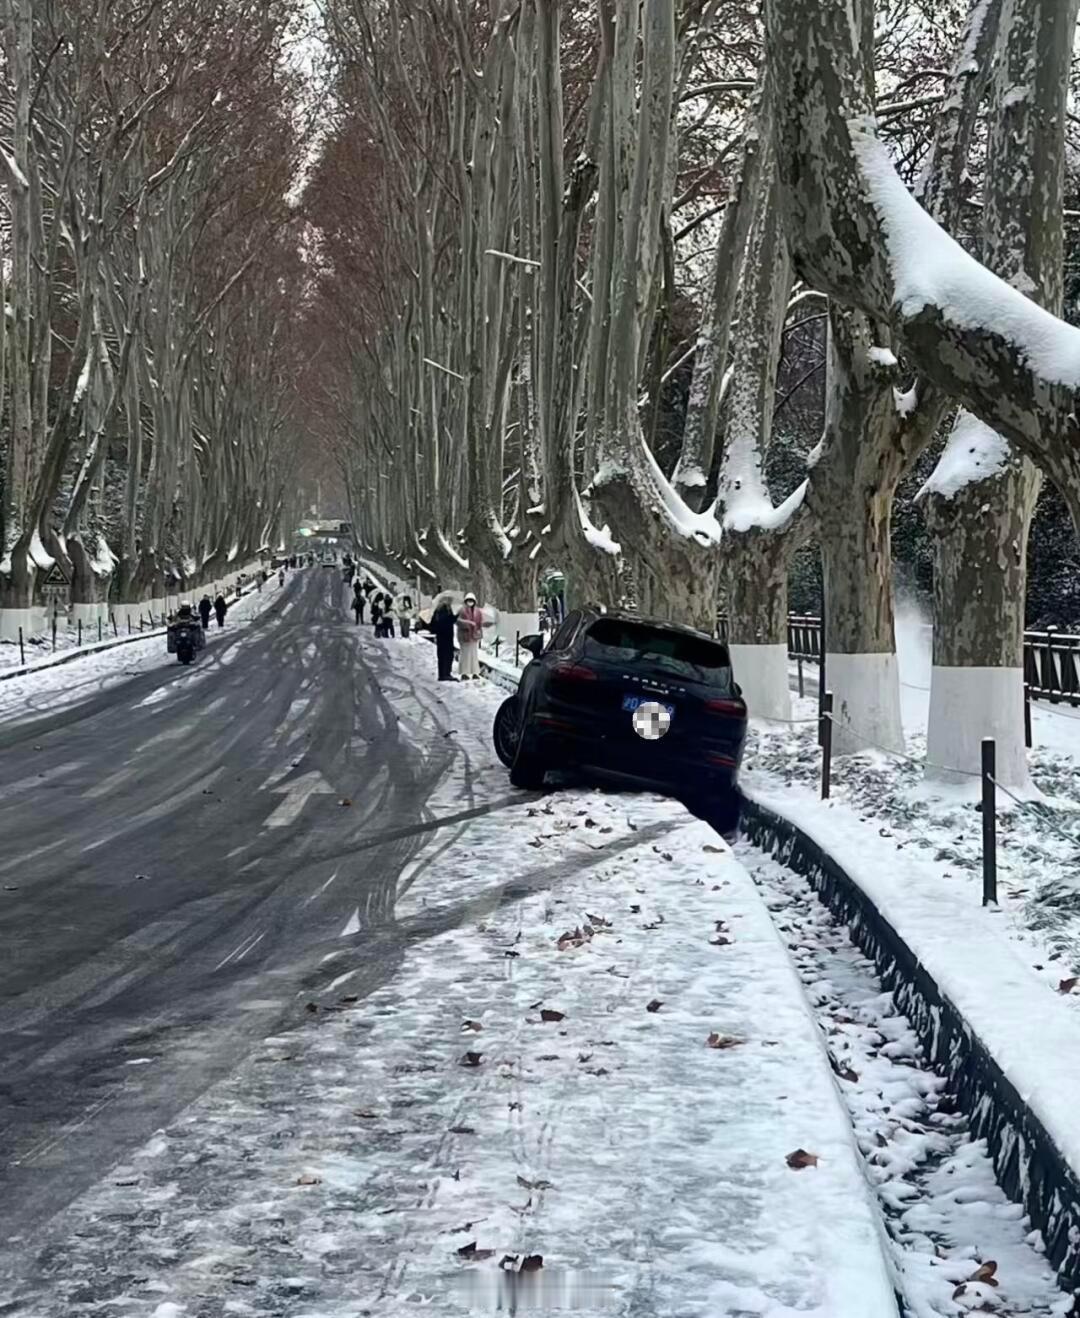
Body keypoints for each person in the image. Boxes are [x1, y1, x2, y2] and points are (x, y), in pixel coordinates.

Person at [424, 595, 457, 680]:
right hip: (444, 636)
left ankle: (444, 673)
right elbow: (446, 622)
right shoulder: (443, 611)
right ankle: (444, 674)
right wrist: (454, 617)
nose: (451, 603)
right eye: (450, 601)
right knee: (446, 655)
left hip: (444, 636)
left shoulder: (441, 611)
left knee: (445, 655)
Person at [456, 592, 484, 680]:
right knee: (465, 655)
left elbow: (480, 622)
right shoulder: (461, 610)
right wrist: (468, 624)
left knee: (474, 656)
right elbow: (458, 621)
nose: (470, 602)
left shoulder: (478, 611)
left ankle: (475, 672)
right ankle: (464, 673)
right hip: (464, 636)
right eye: (468, 601)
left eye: (471, 601)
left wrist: (479, 631)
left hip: (474, 636)